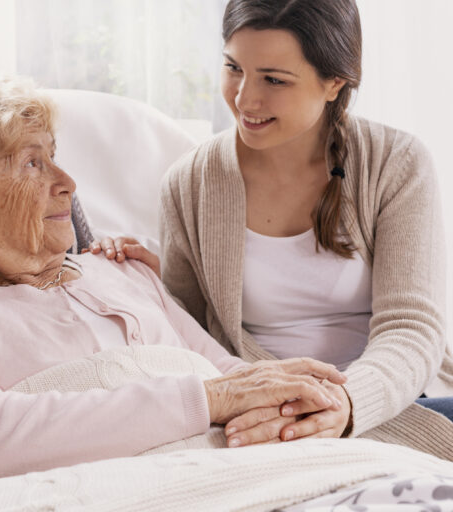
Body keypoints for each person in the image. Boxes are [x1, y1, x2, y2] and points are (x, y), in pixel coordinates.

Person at [0, 76, 349, 484]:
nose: (68, 184)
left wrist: (301, 402)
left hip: (243, 471)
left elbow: (225, 373)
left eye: (54, 156)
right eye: (32, 163)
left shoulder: (126, 268)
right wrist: (206, 399)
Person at [91, 0, 453, 452]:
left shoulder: (397, 164)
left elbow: (412, 326)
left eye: (274, 79)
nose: (244, 99)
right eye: (233, 68)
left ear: (334, 82)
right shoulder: (188, 185)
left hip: (384, 397)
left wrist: (345, 402)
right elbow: (189, 340)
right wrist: (150, 286)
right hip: (261, 412)